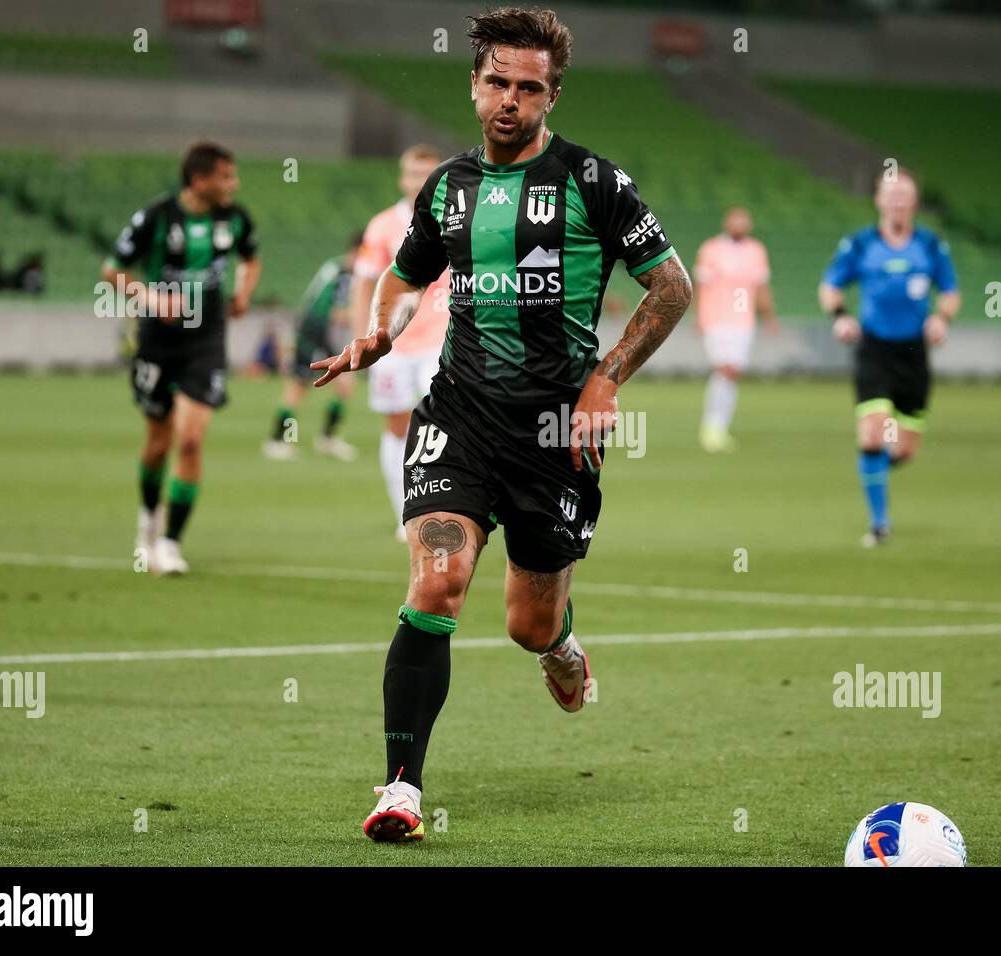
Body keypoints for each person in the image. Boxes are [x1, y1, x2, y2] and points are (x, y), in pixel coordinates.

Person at [311, 6, 692, 843]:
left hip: (559, 431)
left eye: (529, 87)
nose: (511, 100)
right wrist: (381, 329)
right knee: (437, 578)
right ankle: (401, 791)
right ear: (475, 85)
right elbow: (405, 275)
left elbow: (672, 289)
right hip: (460, 413)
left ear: (552, 95)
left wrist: (606, 377)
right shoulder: (448, 187)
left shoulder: (596, 182)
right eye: (498, 83)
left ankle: (561, 646)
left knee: (528, 623)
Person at [102, 141, 261, 575]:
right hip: (158, 340)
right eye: (226, 176)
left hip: (206, 339)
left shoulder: (235, 218)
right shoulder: (156, 216)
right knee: (158, 444)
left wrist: (244, 292)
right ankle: (148, 521)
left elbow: (251, 257)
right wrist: (150, 295)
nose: (234, 183)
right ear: (199, 180)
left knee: (190, 439)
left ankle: (171, 542)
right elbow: (112, 269)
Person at [818, 166, 960, 547]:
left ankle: (873, 468)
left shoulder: (930, 246)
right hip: (874, 349)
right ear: (879, 200)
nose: (899, 202)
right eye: (892, 195)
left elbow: (950, 291)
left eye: (905, 196)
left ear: (914, 202)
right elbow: (830, 286)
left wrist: (941, 318)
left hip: (914, 354)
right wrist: (841, 316)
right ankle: (879, 524)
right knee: (873, 432)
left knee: (906, 449)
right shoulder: (860, 244)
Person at [348, 145, 451, 538]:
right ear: (402, 179)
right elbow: (364, 284)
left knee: (441, 423)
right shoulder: (382, 227)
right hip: (391, 342)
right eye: (414, 173)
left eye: (429, 172)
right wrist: (362, 338)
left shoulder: (458, 218)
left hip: (440, 342)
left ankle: (440, 505)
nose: (421, 180)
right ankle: (404, 513)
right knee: (396, 427)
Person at [263, 232, 364, 462]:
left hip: (317, 331)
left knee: (345, 385)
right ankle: (279, 441)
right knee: (298, 388)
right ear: (356, 252)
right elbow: (339, 314)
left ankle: (327, 439)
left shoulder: (336, 267)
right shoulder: (345, 275)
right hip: (313, 332)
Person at [693, 207, 778, 452]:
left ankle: (718, 427)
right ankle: (712, 427)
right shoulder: (711, 249)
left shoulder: (756, 250)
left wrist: (770, 317)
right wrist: (698, 315)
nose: (740, 224)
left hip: (743, 321)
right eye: (736, 219)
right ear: (726, 222)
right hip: (716, 318)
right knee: (725, 369)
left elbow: (762, 287)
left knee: (732, 372)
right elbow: (700, 283)